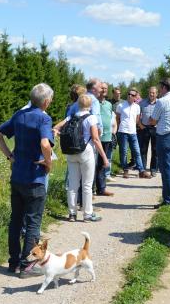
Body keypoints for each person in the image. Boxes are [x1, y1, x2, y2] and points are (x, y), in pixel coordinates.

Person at [0, 83, 54, 278]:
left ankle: (13, 263)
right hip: (35, 177)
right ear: (46, 101)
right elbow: (45, 143)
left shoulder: (19, 115)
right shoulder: (44, 118)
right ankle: (28, 267)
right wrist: (48, 162)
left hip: (17, 175)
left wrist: (10, 156)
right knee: (33, 222)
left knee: (16, 220)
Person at [54, 94, 109, 222]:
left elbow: (56, 127)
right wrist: (104, 158)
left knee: (73, 184)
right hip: (86, 152)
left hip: (71, 153)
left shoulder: (70, 117)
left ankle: (72, 214)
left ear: (78, 104)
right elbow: (95, 139)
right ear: (90, 105)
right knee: (87, 185)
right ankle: (87, 215)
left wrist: (58, 134)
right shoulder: (91, 118)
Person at [150, 78, 170, 207]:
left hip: (165, 137)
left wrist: (152, 120)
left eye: (160, 87)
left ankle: (169, 200)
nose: (159, 89)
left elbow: (153, 120)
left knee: (166, 170)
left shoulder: (162, 101)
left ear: (164, 87)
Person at [116, 88, 152, 179]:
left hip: (133, 132)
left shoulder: (137, 107)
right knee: (123, 152)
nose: (129, 96)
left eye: (132, 95)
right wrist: (117, 130)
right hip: (123, 131)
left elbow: (137, 119)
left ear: (136, 97)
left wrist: (140, 126)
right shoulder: (120, 106)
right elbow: (117, 119)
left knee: (136, 151)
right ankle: (125, 170)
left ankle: (141, 171)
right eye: (129, 94)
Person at [95, 82, 115, 196]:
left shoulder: (108, 104)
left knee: (103, 163)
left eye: (106, 88)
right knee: (95, 164)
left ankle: (101, 188)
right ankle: (92, 189)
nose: (104, 90)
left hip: (107, 137)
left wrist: (113, 131)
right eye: (102, 88)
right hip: (96, 137)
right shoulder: (94, 103)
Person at [138, 86, 158, 176]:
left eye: (153, 93)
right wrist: (140, 125)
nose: (151, 94)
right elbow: (137, 115)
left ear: (156, 94)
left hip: (155, 128)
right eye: (150, 92)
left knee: (155, 150)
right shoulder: (142, 103)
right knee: (143, 149)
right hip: (144, 128)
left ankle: (153, 169)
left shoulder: (160, 103)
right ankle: (143, 169)